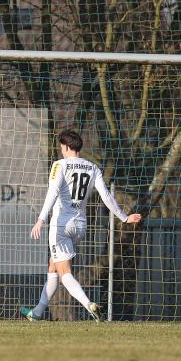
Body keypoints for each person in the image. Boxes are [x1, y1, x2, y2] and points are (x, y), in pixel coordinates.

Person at [26, 130, 142, 322]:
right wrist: (123, 217)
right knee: (53, 266)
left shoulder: (59, 165)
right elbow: (106, 196)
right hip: (80, 225)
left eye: (61, 147)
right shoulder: (93, 167)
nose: (61, 151)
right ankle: (37, 313)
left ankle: (89, 304)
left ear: (66, 147)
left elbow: (53, 192)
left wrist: (41, 219)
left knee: (64, 273)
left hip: (61, 225)